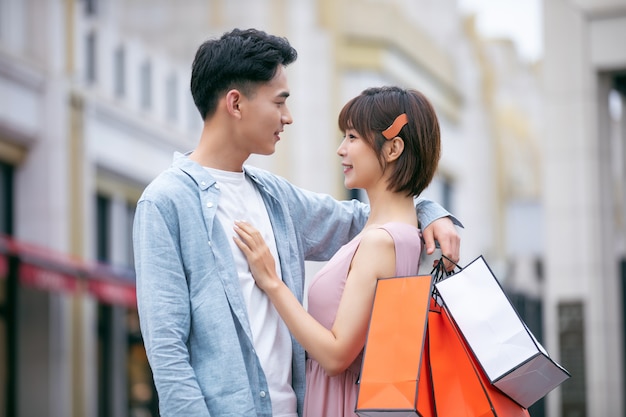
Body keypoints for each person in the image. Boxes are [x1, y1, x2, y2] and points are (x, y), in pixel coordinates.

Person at [133, 28, 461, 417]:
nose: (288, 117)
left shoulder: (275, 196)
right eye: (279, 102)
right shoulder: (165, 203)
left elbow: (369, 220)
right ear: (235, 104)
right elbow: (167, 354)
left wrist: (431, 213)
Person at [234, 86, 441, 416]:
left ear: (393, 148)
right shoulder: (409, 237)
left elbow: (334, 355)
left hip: (343, 403)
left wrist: (272, 281)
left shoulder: (379, 242)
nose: (341, 150)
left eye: (353, 137)